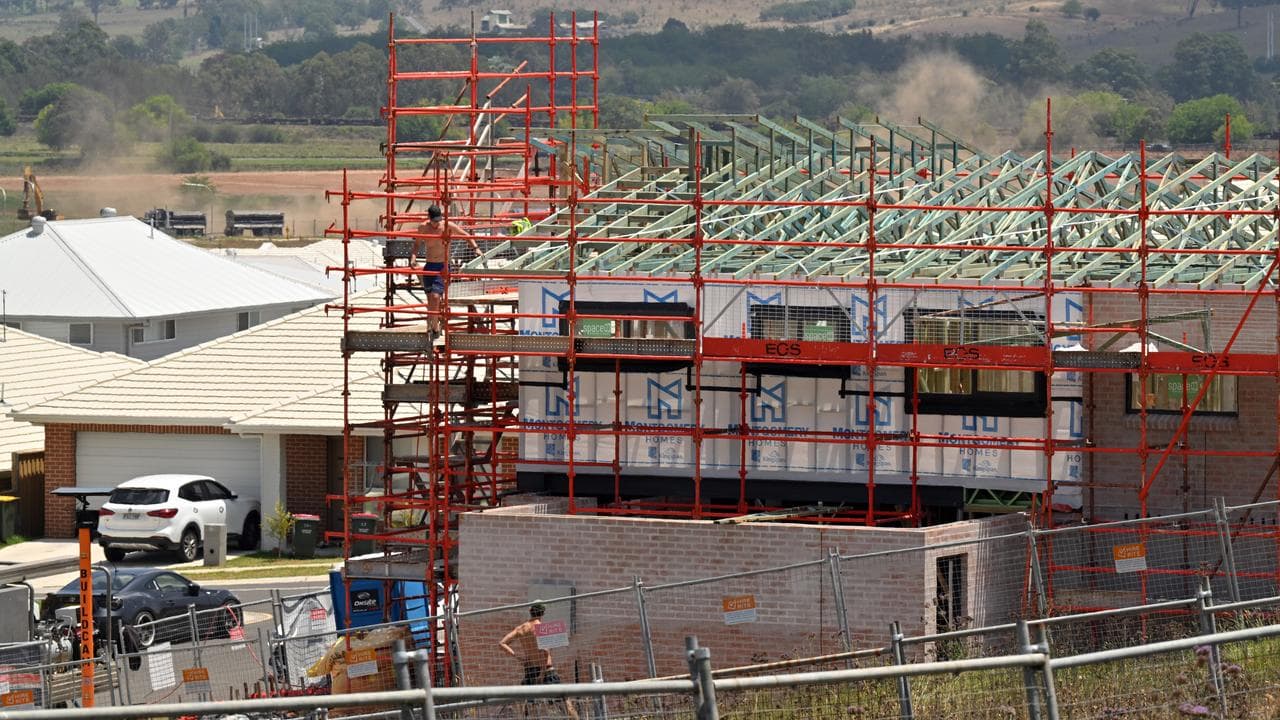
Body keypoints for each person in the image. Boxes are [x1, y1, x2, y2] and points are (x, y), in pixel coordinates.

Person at [408, 204, 482, 336]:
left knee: (436, 297)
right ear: (429, 218)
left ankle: (434, 328)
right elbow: (417, 244)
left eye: (438, 220)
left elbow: (465, 235)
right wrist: (413, 257)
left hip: (442, 266)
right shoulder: (423, 228)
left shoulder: (447, 226)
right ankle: (433, 326)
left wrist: (475, 248)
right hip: (429, 266)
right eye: (434, 221)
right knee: (430, 299)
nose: (437, 223)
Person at [498, 603, 580, 720]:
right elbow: (545, 653)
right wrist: (542, 674)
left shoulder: (521, 628)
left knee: (528, 704)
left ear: (530, 611)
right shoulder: (543, 628)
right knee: (564, 701)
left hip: (530, 670)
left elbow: (502, 643)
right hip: (546, 671)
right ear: (543, 613)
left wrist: (519, 657)